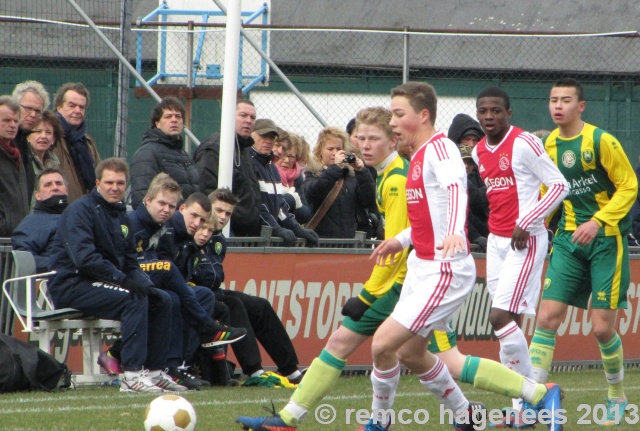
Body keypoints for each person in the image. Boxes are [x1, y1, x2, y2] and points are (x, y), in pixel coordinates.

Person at [529, 78, 637, 425]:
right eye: (552, 100)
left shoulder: (600, 140)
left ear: (581, 106)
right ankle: (530, 397)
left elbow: (629, 186)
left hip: (606, 241)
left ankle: (616, 394)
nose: (557, 106)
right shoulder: (547, 144)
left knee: (602, 328)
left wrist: (599, 221)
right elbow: (549, 190)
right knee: (546, 317)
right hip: (567, 240)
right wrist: (535, 223)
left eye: (565, 100)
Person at [47, 157, 185, 393]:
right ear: (98, 183)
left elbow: (130, 261)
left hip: (101, 283)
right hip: (72, 284)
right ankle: (131, 376)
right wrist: (125, 282)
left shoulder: (121, 215)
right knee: (134, 298)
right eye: (109, 182)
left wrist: (144, 283)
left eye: (120, 183)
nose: (115, 187)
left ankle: (154, 372)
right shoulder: (80, 210)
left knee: (161, 299)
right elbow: (85, 260)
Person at [473, 86, 569, 419]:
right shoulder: (478, 152)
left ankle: (535, 395)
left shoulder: (524, 142)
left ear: (508, 113)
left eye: (496, 111)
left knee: (498, 317)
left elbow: (559, 185)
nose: (489, 116)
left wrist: (527, 220)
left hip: (525, 241)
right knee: (507, 324)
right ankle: (523, 408)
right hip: (496, 242)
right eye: (483, 111)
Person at [123, 176, 246, 389]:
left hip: (148, 281)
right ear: (148, 200)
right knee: (171, 285)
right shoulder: (142, 224)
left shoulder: (163, 227)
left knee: (201, 295)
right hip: (127, 280)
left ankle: (179, 366)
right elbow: (133, 261)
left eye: (169, 206)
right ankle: (207, 329)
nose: (199, 225)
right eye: (162, 204)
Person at [185, 187, 305, 387]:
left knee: (260, 306)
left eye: (228, 213)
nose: (222, 217)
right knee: (234, 304)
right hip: (198, 294)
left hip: (214, 291)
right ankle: (254, 370)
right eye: (218, 210)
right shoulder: (193, 235)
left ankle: (291, 370)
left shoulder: (218, 240)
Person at [194, 99, 261, 237]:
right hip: (223, 231)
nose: (248, 120)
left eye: (252, 117)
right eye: (243, 115)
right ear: (229, 116)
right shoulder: (215, 148)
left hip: (245, 232)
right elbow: (205, 189)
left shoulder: (245, 151)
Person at [249, 119, 319, 246]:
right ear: (251, 135)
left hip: (267, 240)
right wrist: (277, 229)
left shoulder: (272, 168)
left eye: (272, 138)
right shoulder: (249, 164)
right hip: (251, 239)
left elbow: (279, 205)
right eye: (264, 136)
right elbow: (256, 206)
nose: (268, 141)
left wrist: (296, 229)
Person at [303, 127, 376, 239]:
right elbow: (312, 192)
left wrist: (362, 172)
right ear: (320, 152)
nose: (335, 153)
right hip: (319, 240)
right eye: (330, 149)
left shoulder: (351, 176)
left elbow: (368, 200)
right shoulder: (312, 173)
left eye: (338, 149)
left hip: (347, 241)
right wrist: (335, 168)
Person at [129, 97, 199, 209]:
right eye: (168, 116)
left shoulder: (186, 157)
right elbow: (141, 199)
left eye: (178, 116)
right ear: (157, 123)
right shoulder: (146, 154)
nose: (174, 120)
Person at [12, 168, 68, 272]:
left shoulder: (79, 216)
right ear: (37, 195)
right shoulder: (33, 222)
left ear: (66, 190)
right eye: (48, 185)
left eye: (59, 183)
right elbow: (23, 257)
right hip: (51, 281)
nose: (55, 187)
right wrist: (61, 266)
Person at [52, 82, 101, 202]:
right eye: (72, 105)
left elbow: (100, 176)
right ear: (59, 107)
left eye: (81, 107)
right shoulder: (51, 139)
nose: (77, 110)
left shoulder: (88, 143)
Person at [12, 80, 50, 198]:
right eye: (28, 108)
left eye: (38, 111)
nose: (33, 115)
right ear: (15, 106)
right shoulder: (7, 139)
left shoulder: (25, 142)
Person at [0, 95, 30, 237]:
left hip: (17, 237)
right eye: (6, 120)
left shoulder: (16, 154)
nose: (12, 125)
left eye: (15, 121)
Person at [23, 111, 63, 206]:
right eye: (38, 131)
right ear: (28, 135)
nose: (43, 136)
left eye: (48, 132)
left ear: (53, 139)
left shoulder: (55, 164)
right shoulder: (23, 160)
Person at [274, 131, 312, 224]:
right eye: (283, 155)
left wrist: (297, 204)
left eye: (291, 157)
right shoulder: (267, 173)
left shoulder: (297, 179)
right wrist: (289, 199)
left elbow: (306, 215)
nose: (287, 160)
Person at [458, 145, 489, 251]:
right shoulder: (455, 180)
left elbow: (470, 215)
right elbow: (476, 196)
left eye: (469, 162)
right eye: (463, 161)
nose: (466, 165)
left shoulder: (474, 177)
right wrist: (475, 236)